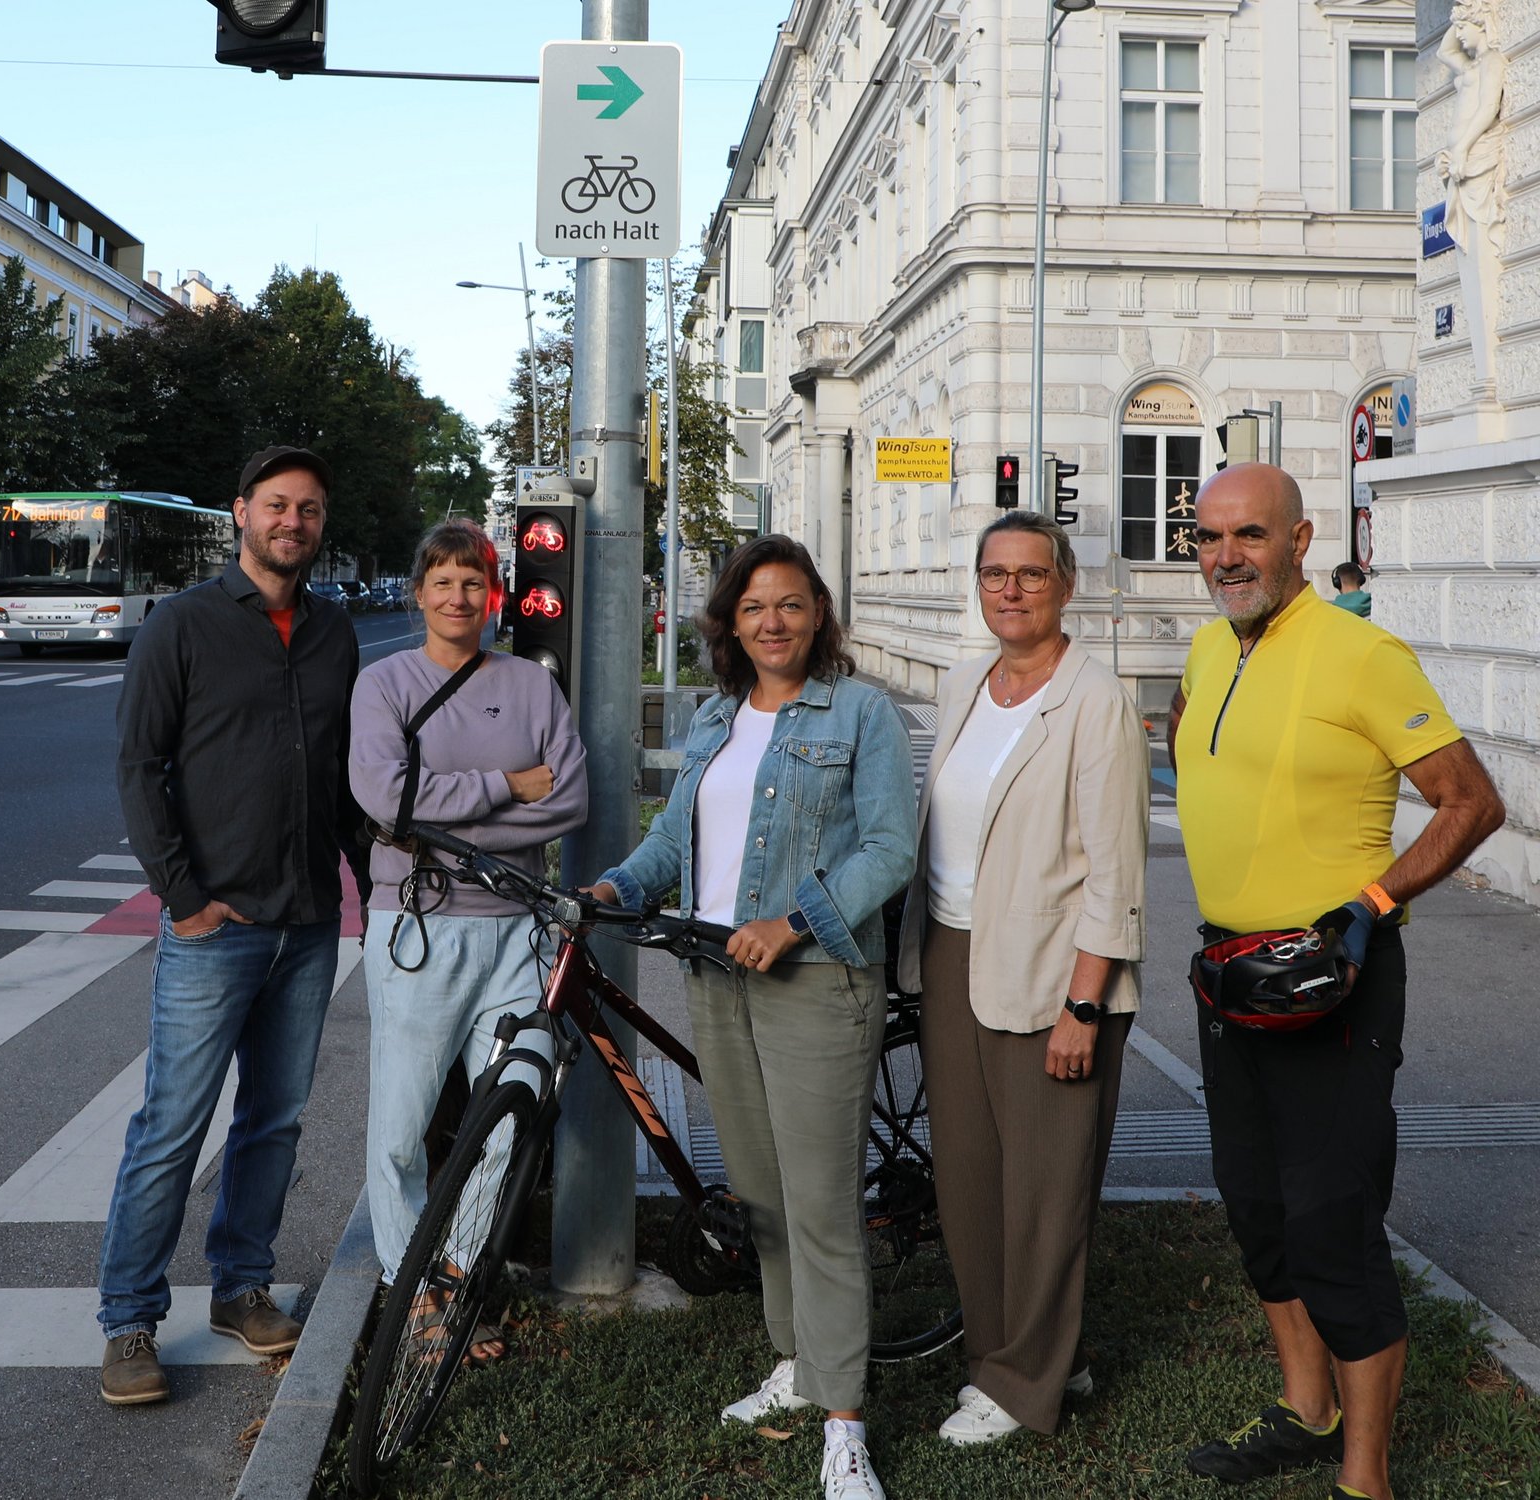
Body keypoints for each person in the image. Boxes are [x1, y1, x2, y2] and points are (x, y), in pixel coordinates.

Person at [1170, 463, 1503, 1500]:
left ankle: (1364, 1480)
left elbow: (1467, 802)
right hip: (1226, 973)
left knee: (1330, 1218)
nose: (1225, 555)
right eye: (1206, 536)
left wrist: (1368, 904)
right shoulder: (1203, 647)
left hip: (1330, 976)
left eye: (1248, 535)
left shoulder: (1362, 654)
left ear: (1299, 540)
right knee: (1255, 1206)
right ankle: (1306, 1412)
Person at [590, 535, 915, 1500]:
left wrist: (794, 922)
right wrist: (622, 882)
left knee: (821, 1210)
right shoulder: (716, 717)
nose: (772, 621)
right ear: (730, 623)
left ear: (819, 614)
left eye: (791, 603)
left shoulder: (863, 712)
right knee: (763, 1200)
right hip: (716, 976)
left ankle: (845, 1421)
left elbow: (892, 848)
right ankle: (796, 1365)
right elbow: (675, 831)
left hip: (817, 980)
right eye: (753, 606)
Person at [96, 445, 370, 1406]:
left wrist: (371, 883)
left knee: (274, 1122)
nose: (293, 521)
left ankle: (241, 1287)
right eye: (277, 505)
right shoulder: (183, 624)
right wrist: (181, 897)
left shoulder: (335, 634)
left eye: (309, 509)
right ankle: (129, 1320)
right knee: (172, 1124)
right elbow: (140, 769)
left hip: (307, 921)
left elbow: (342, 781)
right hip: (216, 924)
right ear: (241, 513)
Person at [894, 509, 1148, 1446]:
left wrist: (1084, 1005)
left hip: (1055, 974)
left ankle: (1022, 1384)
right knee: (968, 1179)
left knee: (1045, 1190)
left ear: (1064, 585)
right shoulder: (964, 684)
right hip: (953, 956)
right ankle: (1029, 1354)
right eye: (995, 573)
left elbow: (1119, 875)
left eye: (1031, 575)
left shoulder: (1096, 702)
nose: (1010, 589)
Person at [349, 519, 588, 1357]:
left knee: (515, 1107)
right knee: (404, 1122)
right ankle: (406, 1287)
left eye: (475, 582)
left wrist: (442, 812)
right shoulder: (384, 685)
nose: (459, 597)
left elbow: (569, 800)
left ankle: (451, 1268)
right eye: (443, 582)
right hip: (418, 927)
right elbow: (385, 800)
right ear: (419, 594)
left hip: (514, 931)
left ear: (496, 596)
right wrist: (501, 787)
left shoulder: (530, 686)